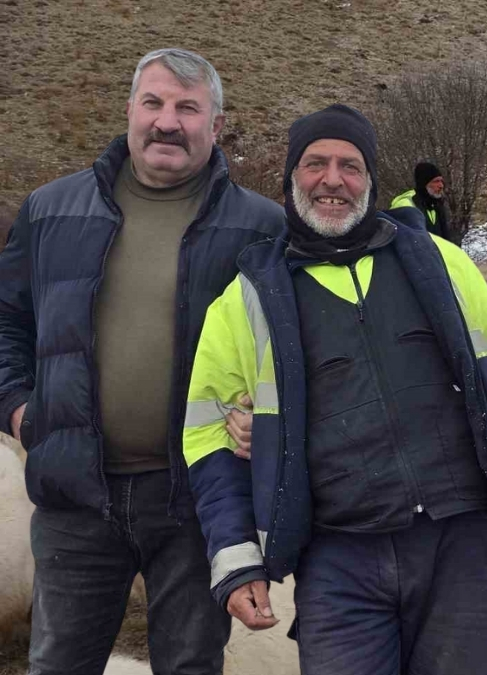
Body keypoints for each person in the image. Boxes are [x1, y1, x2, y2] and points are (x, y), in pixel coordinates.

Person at [183, 104, 487, 674]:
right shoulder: (245, 302)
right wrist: (237, 559)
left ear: (369, 180)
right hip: (336, 562)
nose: (332, 179)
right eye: (315, 163)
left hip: (457, 546)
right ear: (292, 177)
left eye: (350, 165)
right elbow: (208, 440)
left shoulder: (441, 264)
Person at [0, 48, 284, 674]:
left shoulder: (262, 227)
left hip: (198, 499)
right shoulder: (51, 210)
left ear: (215, 124)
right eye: (153, 103)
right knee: (60, 664)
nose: (167, 121)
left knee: (189, 664)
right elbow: (7, 323)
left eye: (188, 108)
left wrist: (270, 419)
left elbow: (296, 347)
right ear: (129, 109)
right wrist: (21, 411)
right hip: (77, 495)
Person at [385, 160, 450, 241]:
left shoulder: (436, 204)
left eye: (441, 181)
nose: (441, 185)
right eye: (436, 181)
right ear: (424, 183)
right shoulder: (406, 204)